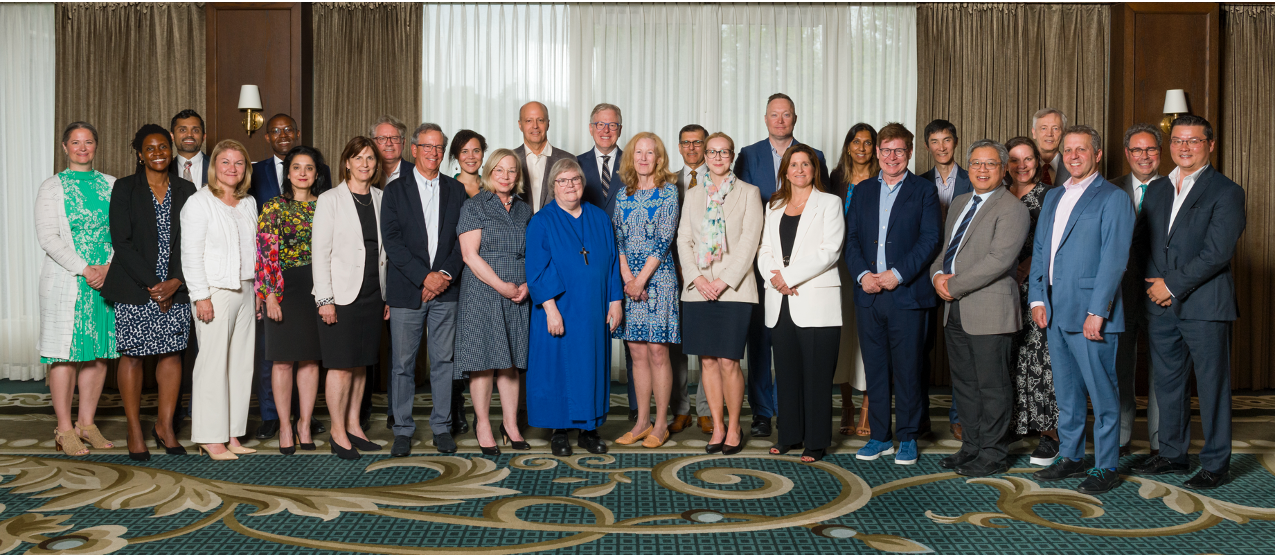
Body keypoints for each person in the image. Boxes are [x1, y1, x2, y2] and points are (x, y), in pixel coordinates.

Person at [1132, 115, 1246, 490]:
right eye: (1178, 141)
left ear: (1210, 145)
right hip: (1159, 306)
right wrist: (1153, 287)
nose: (1183, 147)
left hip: (1205, 306)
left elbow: (1217, 253)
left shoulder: (1226, 191)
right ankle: (1172, 454)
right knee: (1168, 384)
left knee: (1212, 387)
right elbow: (1147, 243)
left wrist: (1171, 286)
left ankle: (1215, 463)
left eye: (1193, 141)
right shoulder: (1160, 188)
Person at [1028, 125, 1134, 495]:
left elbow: (1114, 259)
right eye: (1068, 149)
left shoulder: (1113, 198)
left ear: (1097, 154)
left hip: (1092, 313)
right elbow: (1041, 250)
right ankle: (1071, 456)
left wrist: (1098, 310)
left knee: (1103, 395)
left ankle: (1106, 466)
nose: (1073, 156)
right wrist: (1037, 298)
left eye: (1081, 150)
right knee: (1067, 393)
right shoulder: (1054, 196)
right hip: (1055, 311)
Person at [931, 140, 1031, 477]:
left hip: (990, 310)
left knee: (993, 386)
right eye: (976, 163)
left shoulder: (1012, 207)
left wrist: (952, 285)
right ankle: (971, 447)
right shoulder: (960, 202)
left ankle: (993, 454)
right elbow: (946, 252)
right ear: (969, 167)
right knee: (965, 386)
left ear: (1003, 169)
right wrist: (936, 278)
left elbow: (998, 261)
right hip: (955, 311)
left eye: (990, 164)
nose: (982, 170)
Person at [734, 93, 830, 438]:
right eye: (774, 115)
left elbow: (824, 215)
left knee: (796, 345)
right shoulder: (747, 155)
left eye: (786, 115)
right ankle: (762, 412)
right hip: (761, 259)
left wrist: (793, 274)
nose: (780, 120)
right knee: (760, 340)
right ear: (765, 119)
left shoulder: (814, 156)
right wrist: (771, 271)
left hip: (805, 269)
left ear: (795, 118)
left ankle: (789, 408)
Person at [846, 123, 941, 466]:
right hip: (869, 294)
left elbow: (930, 240)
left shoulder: (924, 191)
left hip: (907, 294)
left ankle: (908, 438)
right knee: (876, 369)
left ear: (910, 153)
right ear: (878, 153)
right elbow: (852, 239)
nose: (891, 157)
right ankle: (879, 436)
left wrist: (895, 275)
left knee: (908, 370)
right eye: (885, 150)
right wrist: (862, 276)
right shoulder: (864, 190)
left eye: (899, 151)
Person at [102, 124, 196, 461]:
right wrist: (154, 285)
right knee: (133, 356)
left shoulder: (187, 189)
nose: (158, 153)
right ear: (140, 155)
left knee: (172, 354)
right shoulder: (125, 189)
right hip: (135, 288)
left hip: (176, 287)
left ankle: (165, 426)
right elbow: (121, 242)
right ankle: (133, 428)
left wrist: (175, 282)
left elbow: (194, 242)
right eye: (150, 148)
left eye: (163, 147)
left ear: (171, 150)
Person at [525, 159, 624, 457]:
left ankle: (589, 429)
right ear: (553, 186)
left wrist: (616, 300)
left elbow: (612, 263)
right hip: (560, 307)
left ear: (583, 183)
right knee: (557, 369)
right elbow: (537, 269)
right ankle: (559, 431)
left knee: (591, 366)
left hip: (593, 308)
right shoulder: (542, 221)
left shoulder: (598, 218)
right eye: (563, 181)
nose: (570, 186)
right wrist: (551, 309)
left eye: (575, 180)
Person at [381, 124, 466, 457]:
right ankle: (402, 429)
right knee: (402, 364)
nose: (434, 153)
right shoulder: (395, 190)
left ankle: (441, 427)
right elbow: (393, 242)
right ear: (413, 149)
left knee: (444, 361)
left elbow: (465, 239)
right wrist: (424, 278)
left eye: (439, 148)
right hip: (407, 291)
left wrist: (442, 275)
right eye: (427, 146)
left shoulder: (456, 190)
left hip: (446, 290)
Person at [677, 132, 763, 454]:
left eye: (723, 152)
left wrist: (723, 281)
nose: (716, 157)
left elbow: (749, 243)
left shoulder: (749, 193)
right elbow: (684, 239)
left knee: (729, 361)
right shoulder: (694, 193)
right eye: (711, 152)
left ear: (732, 156)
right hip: (699, 290)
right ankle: (718, 425)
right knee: (707, 361)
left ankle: (735, 426)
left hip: (735, 290)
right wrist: (697, 279)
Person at [37, 122, 118, 457]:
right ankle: (64, 429)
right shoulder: (51, 187)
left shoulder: (112, 185)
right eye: (75, 142)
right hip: (67, 281)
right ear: (64, 146)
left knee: (99, 354)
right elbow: (48, 239)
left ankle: (87, 423)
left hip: (104, 280)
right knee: (65, 356)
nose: (82, 148)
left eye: (88, 142)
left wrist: (107, 268)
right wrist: (85, 269)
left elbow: (121, 232)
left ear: (96, 146)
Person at [758, 144, 844, 463]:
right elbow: (764, 250)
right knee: (787, 374)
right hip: (781, 302)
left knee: (817, 377)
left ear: (814, 169)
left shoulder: (830, 203)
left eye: (805, 164)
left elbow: (830, 251)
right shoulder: (775, 205)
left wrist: (789, 276)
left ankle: (817, 441)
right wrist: (775, 277)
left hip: (816, 301)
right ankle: (790, 435)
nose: (799, 170)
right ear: (785, 170)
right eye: (793, 164)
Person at [249, 113, 329, 440]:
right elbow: (265, 256)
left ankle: (304, 424)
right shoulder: (274, 207)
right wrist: (268, 295)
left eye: (309, 168)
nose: (303, 173)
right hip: (283, 290)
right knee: (282, 362)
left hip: (317, 288)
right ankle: (284, 425)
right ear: (289, 172)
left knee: (310, 361)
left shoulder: (327, 206)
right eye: (297, 167)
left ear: (316, 173)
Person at [182, 139, 259, 461]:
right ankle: (209, 437)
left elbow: (254, 250)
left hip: (245, 289)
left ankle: (231, 434)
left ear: (246, 169)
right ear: (215, 167)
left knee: (240, 366)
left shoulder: (248, 202)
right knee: (212, 366)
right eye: (225, 162)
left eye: (238, 163)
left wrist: (256, 291)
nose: (232, 168)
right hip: (214, 292)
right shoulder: (199, 203)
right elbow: (190, 254)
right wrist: (200, 296)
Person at [312, 136, 388, 460]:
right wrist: (324, 299)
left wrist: (387, 296)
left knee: (362, 366)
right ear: (346, 162)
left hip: (374, 291)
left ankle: (355, 427)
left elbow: (385, 250)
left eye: (370, 158)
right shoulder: (330, 200)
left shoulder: (382, 198)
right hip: (341, 294)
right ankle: (337, 431)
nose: (365, 164)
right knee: (342, 366)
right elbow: (320, 252)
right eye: (358, 158)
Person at [455, 148, 533, 455]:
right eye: (499, 170)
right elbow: (469, 255)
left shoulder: (524, 209)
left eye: (511, 171)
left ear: (518, 176)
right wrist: (501, 286)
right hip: (484, 291)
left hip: (518, 293)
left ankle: (511, 425)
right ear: (489, 173)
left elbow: (533, 253)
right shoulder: (475, 206)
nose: (505, 176)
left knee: (511, 363)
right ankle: (483, 424)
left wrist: (527, 285)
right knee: (483, 364)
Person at [611, 132, 682, 449]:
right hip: (630, 282)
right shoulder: (623, 195)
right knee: (636, 353)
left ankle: (661, 422)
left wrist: (641, 280)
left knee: (657, 351)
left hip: (659, 279)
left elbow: (665, 239)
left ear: (659, 158)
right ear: (631, 157)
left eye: (649, 152)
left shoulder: (668, 193)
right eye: (638, 152)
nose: (643, 157)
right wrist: (628, 277)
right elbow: (619, 241)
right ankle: (642, 421)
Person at [1003, 136, 1061, 465]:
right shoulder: (998, 195)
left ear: (1038, 162)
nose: (1022, 166)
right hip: (1002, 289)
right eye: (1015, 160)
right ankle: (1017, 425)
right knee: (1010, 359)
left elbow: (1057, 243)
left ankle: (1050, 434)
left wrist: (1027, 268)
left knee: (1040, 362)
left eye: (1028, 159)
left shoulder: (1051, 195)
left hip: (1036, 288)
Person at [918, 118, 973, 439]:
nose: (941, 147)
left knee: (962, 350)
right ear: (927, 146)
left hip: (962, 273)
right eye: (935, 141)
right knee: (920, 349)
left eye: (947, 140)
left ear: (955, 142)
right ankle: (920, 418)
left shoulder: (973, 179)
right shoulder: (918, 182)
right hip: (924, 274)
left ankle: (959, 415)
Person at [1114, 123, 1163, 457]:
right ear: (1126, 153)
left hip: (1164, 293)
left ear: (1160, 153)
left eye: (1150, 150)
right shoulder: (1110, 189)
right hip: (1120, 293)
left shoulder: (1177, 188)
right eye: (1137, 150)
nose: (1143, 156)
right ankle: (1120, 439)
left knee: (1163, 373)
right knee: (1120, 369)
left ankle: (1162, 445)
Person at [828, 123, 878, 438]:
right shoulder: (835, 179)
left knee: (869, 336)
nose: (861, 147)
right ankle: (846, 404)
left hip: (871, 267)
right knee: (844, 336)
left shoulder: (883, 177)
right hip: (838, 267)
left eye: (868, 142)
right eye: (855, 142)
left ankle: (867, 407)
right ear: (848, 146)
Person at [677, 124, 717, 435]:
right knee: (675, 343)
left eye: (697, 143)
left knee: (707, 343)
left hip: (709, 273)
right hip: (672, 271)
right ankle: (681, 409)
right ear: (679, 147)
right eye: (686, 143)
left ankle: (705, 409)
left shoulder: (719, 180)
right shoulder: (668, 180)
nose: (692, 148)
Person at [513, 101, 575, 212]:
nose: (535, 126)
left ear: (548, 124)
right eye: (529, 121)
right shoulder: (509, 160)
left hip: (556, 228)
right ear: (520, 125)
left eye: (540, 120)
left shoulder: (568, 160)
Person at [579, 103, 625, 215]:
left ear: (620, 129)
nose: (606, 130)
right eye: (600, 124)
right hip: (587, 231)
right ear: (591, 128)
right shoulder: (577, 163)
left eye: (612, 125)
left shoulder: (634, 163)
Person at [371, 115, 414, 186]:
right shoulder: (366, 173)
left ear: (403, 143)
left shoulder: (417, 174)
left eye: (394, 138)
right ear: (373, 144)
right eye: (382, 138)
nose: (389, 143)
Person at [1031, 108, 1069, 186]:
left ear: (1063, 134)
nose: (1049, 134)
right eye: (1044, 128)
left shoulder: (1073, 168)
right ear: (1034, 133)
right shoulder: (1021, 168)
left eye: (1055, 128)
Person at [170, 109, 208, 187]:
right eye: (182, 130)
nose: (189, 135)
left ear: (203, 137)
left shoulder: (218, 167)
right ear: (172, 136)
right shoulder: (165, 170)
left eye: (195, 130)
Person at [451, 129, 488, 198]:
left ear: (483, 153)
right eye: (464, 151)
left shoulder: (492, 186)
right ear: (456, 155)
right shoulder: (448, 188)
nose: (471, 157)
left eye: (476, 151)